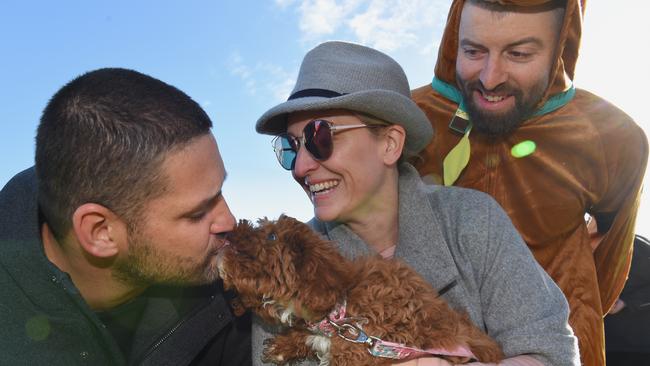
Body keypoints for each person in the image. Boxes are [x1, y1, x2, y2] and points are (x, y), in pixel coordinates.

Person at [253, 41, 579, 365]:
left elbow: (551, 352)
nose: (300, 166)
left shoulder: (474, 221)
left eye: (319, 137)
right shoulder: (284, 271)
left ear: (391, 144)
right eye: (291, 146)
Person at [410, 1, 649, 365]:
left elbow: (611, 262)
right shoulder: (407, 121)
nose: (490, 78)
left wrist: (565, 310)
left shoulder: (613, 139)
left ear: (559, 47)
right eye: (473, 50)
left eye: (519, 53)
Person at [0, 68, 251, 365]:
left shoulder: (227, 288)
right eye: (197, 213)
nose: (229, 221)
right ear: (101, 231)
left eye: (220, 190)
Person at [603, 235, 650, 365]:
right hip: (603, 346)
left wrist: (626, 302)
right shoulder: (584, 247)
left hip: (638, 348)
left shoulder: (640, 247)